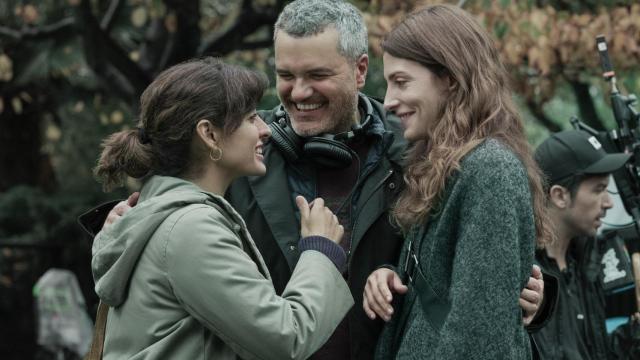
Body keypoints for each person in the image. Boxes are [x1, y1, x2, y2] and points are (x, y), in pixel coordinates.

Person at [80, 1, 549, 359]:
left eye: (318, 75)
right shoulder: (238, 152)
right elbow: (167, 224)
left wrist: (531, 292)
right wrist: (116, 222)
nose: (298, 93)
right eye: (286, 75)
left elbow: (467, 269)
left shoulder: (422, 152)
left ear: (360, 70)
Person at [88, 57, 354, 359]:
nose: (265, 130)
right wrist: (319, 251)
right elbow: (285, 338)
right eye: (251, 118)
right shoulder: (190, 228)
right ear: (209, 134)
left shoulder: (157, 213)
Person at [362, 5, 554, 359]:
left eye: (401, 82)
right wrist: (392, 274)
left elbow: (479, 338)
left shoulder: (489, 171)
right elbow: (445, 284)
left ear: (450, 79)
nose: (388, 101)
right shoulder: (444, 166)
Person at [532, 129, 640, 359]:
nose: (609, 203)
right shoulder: (526, 274)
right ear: (560, 196)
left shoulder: (586, 264)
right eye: (599, 190)